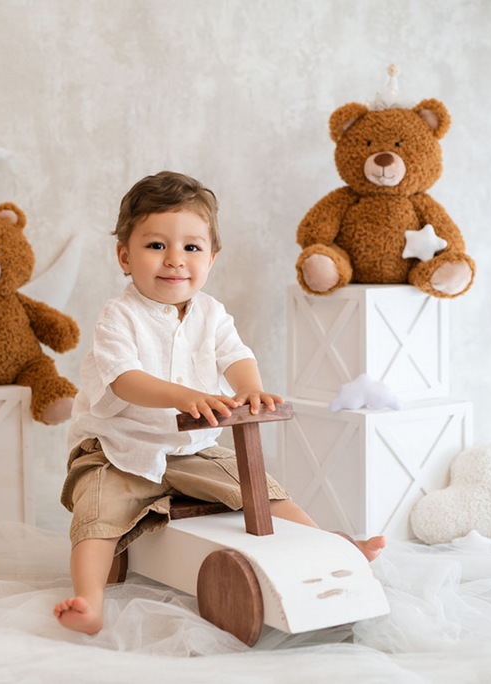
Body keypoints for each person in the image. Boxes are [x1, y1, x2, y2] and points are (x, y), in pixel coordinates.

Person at [54, 171, 385, 635]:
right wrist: (186, 396)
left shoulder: (211, 312)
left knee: (260, 490)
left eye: (191, 247)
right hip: (118, 449)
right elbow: (125, 380)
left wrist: (249, 387)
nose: (175, 260)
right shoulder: (118, 315)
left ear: (211, 257)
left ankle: (332, 546)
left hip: (191, 450)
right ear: (124, 256)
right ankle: (89, 600)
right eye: (155, 246)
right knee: (98, 514)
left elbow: (236, 355)